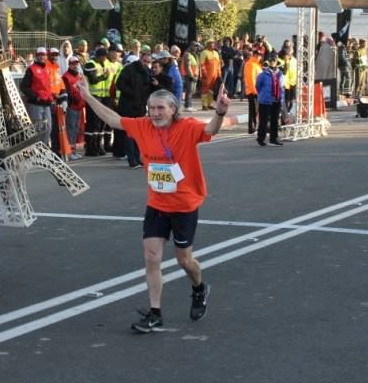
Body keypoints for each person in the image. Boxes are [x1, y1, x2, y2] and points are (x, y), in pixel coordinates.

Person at [76, 78, 229, 334]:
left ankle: (199, 287)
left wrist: (221, 112)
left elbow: (211, 129)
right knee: (151, 257)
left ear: (173, 109)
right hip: (157, 204)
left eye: (161, 108)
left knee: (185, 260)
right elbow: (114, 120)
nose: (155, 113)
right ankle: (155, 313)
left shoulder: (187, 127)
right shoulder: (142, 126)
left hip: (184, 205)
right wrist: (88, 97)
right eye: (152, 108)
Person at [20, 47, 54, 145]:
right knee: (37, 129)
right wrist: (35, 97)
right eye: (40, 55)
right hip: (36, 104)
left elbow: (49, 86)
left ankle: (44, 149)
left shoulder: (48, 69)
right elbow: (23, 86)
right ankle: (38, 149)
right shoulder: (31, 69)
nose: (42, 57)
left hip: (46, 103)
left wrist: (52, 97)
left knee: (48, 128)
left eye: (43, 55)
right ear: (36, 56)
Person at [255, 52, 285, 146]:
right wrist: (263, 95)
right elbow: (258, 86)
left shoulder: (280, 74)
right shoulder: (263, 74)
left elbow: (282, 87)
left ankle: (274, 138)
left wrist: (281, 99)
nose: (273, 62)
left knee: (275, 120)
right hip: (265, 100)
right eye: (271, 60)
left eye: (274, 60)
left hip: (276, 100)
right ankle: (261, 139)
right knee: (263, 120)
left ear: (277, 62)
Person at [62, 56, 86, 160]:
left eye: (76, 63)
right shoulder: (66, 77)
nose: (75, 65)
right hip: (72, 106)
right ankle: (69, 152)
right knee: (71, 129)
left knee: (76, 129)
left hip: (79, 106)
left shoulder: (79, 76)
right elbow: (67, 92)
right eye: (73, 63)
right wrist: (74, 101)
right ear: (69, 64)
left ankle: (74, 151)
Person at [242, 49, 262, 135]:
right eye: (259, 55)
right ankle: (252, 127)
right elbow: (251, 79)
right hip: (253, 91)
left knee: (255, 110)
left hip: (257, 91)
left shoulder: (256, 65)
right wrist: (255, 91)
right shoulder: (251, 64)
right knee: (254, 110)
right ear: (255, 55)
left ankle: (254, 127)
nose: (260, 57)